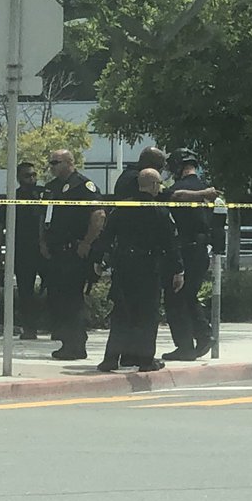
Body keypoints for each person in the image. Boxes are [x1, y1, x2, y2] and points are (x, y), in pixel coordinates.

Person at [94, 168, 184, 373]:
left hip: (123, 266)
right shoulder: (159, 211)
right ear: (153, 185)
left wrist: (98, 260)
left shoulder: (122, 208)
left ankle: (110, 358)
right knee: (147, 314)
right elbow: (170, 243)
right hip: (148, 266)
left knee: (121, 313)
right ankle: (145, 360)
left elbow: (106, 236)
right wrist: (178, 270)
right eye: (159, 184)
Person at [40, 149, 106, 361]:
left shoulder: (83, 186)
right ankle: (66, 341)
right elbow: (44, 217)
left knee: (72, 299)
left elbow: (98, 215)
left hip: (74, 251)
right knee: (57, 298)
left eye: (56, 162)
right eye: (50, 162)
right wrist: (42, 241)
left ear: (70, 162)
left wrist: (87, 242)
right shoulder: (51, 188)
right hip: (55, 251)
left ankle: (77, 343)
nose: (52, 166)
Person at [161, 148, 217, 361]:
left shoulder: (179, 188)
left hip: (183, 250)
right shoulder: (206, 188)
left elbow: (176, 196)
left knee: (175, 298)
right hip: (202, 250)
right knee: (189, 295)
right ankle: (203, 336)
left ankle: (184, 346)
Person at [11, 161, 47, 339]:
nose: (32, 178)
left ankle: (56, 327)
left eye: (34, 175)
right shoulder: (13, 196)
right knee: (26, 291)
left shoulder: (44, 194)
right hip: (24, 249)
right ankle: (29, 328)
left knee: (54, 286)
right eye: (27, 175)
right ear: (18, 177)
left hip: (45, 248)